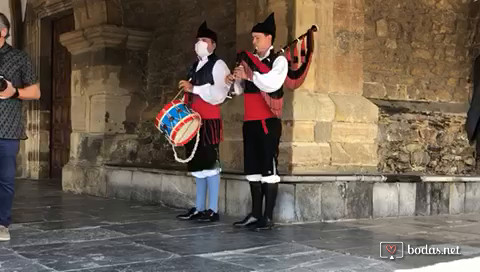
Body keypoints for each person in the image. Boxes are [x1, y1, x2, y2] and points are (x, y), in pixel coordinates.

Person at [226, 13, 288, 231]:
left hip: (267, 122)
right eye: (253, 38)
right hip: (250, 122)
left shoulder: (278, 60)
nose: (253, 41)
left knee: (268, 171)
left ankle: (267, 218)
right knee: (252, 169)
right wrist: (234, 80)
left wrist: (250, 75)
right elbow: (242, 91)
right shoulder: (249, 62)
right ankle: (255, 214)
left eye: (257, 37)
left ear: (269, 38)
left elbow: (271, 83)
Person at [176, 21, 230, 222]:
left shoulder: (219, 65)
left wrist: (194, 89)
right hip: (192, 122)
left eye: (204, 40)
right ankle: (199, 208)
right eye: (198, 40)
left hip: (208, 121)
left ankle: (213, 210)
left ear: (213, 44)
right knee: (197, 167)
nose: (200, 43)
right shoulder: (194, 66)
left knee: (210, 164)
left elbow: (219, 95)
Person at [0, 13, 41, 241]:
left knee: (4, 179)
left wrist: (13, 92)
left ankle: (2, 224)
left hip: (7, 130)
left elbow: (35, 93)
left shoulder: (19, 58)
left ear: (3, 32)